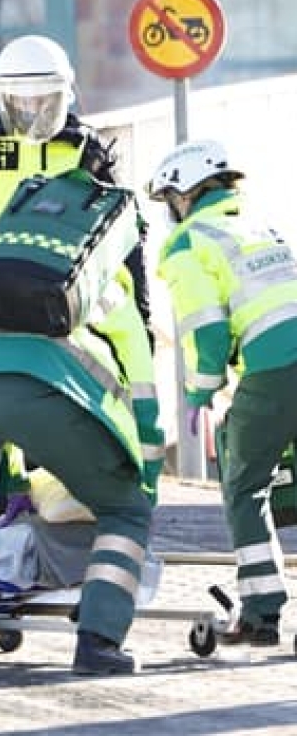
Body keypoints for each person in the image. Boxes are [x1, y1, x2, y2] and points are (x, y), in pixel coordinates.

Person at [0, 34, 156, 528]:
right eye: (23, 103)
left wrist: (140, 317)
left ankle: (54, 532)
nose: (35, 113)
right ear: (1, 97)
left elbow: (123, 230)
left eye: (47, 101)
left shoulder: (87, 148)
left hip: (60, 309)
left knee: (55, 421)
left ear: (68, 96)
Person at [0, 239, 164, 675]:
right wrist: (146, 480)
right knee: (125, 511)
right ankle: (98, 642)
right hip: (45, 388)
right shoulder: (109, 286)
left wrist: (12, 483)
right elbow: (142, 392)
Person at [148, 139, 297, 647]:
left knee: (246, 489)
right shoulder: (263, 227)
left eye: (170, 197)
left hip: (275, 372)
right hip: (280, 362)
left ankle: (261, 612)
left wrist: (199, 390)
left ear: (185, 194)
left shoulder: (190, 242)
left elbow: (207, 330)